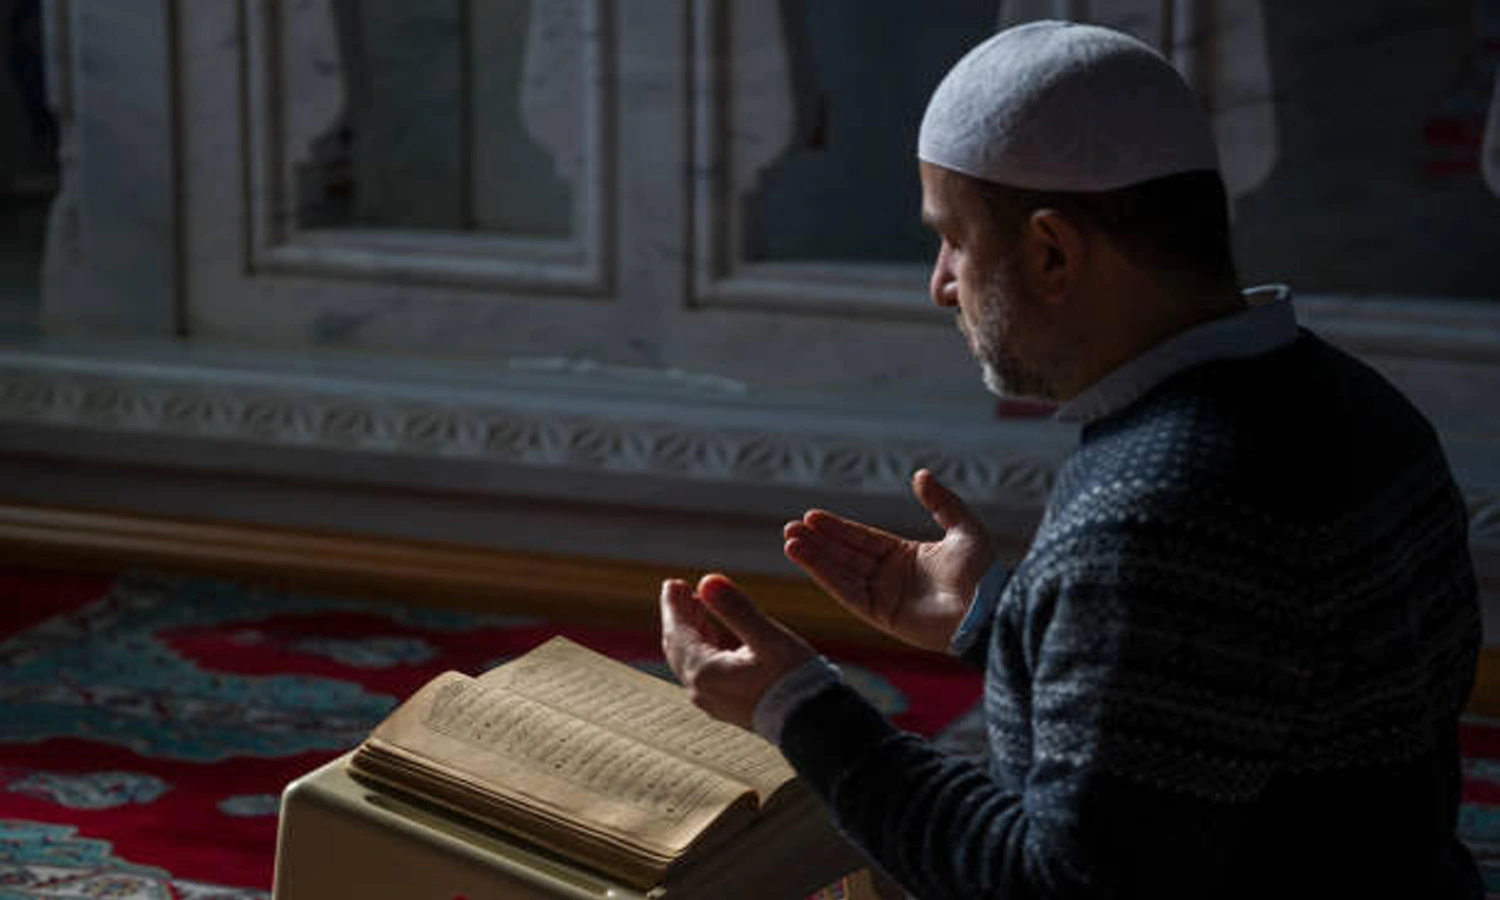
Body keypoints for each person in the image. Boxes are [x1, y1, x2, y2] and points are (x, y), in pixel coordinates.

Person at [659, 20, 1483, 899]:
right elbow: (1223, 705)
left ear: (1051, 252)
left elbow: (1056, 886)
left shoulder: (1157, 510)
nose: (940, 284)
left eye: (954, 240)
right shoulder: (1355, 403)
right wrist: (1001, 618)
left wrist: (796, 707)